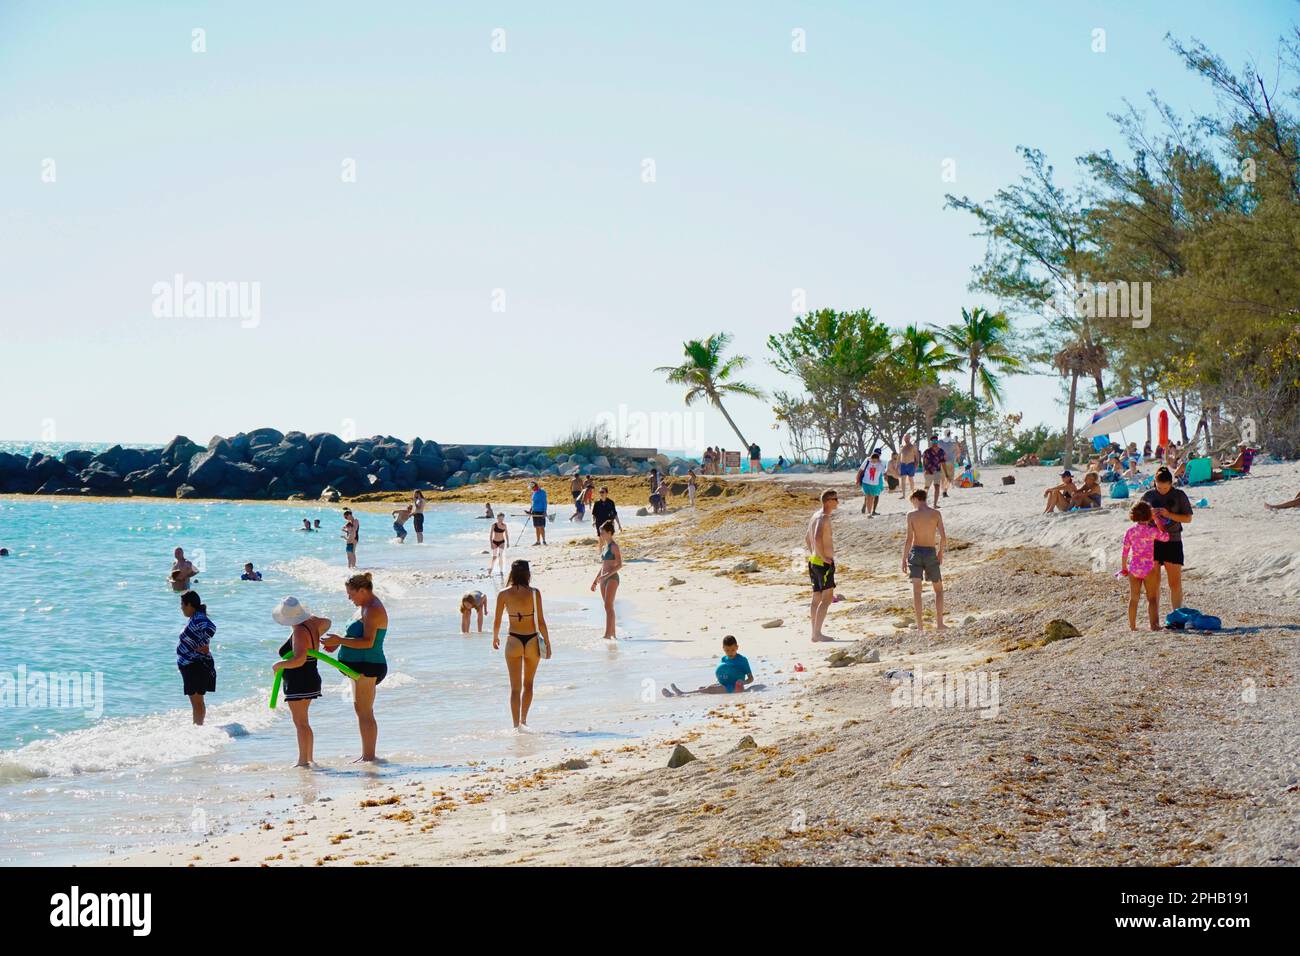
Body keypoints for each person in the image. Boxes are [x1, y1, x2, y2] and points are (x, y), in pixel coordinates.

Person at [321, 572, 388, 762]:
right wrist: (337, 643)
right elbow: (356, 636)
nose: (349, 598)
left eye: (351, 594)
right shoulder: (363, 607)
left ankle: (369, 757)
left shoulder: (373, 609)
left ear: (362, 590)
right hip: (358, 666)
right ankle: (367, 755)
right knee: (361, 711)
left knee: (365, 712)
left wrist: (340, 640)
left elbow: (368, 642)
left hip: (368, 665)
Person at [271, 597, 332, 767]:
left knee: (300, 723)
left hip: (299, 679)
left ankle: (302, 761)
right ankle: (309, 758)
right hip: (311, 676)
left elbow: (299, 659)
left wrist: (279, 665)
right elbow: (327, 622)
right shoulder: (312, 623)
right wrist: (315, 631)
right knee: (304, 722)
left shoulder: (299, 630)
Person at [492, 560, 551, 730]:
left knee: (515, 688)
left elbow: (496, 621)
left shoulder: (503, 594)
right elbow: (541, 622)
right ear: (528, 573)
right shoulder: (534, 593)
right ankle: (524, 720)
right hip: (532, 640)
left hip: (513, 641)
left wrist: (495, 637)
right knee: (529, 684)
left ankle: (515, 726)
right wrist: (547, 642)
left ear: (512, 573)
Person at [1140, 467, 1194, 610]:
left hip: (1173, 540)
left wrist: (1169, 515)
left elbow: (1188, 518)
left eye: (1165, 487)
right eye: (1159, 487)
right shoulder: (1148, 496)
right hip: (1152, 542)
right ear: (1154, 483)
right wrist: (1148, 515)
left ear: (1171, 483)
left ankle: (1177, 615)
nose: (1162, 490)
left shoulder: (1179, 495)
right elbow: (1138, 520)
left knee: (1174, 583)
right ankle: (1154, 618)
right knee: (1154, 582)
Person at [1120, 502, 1170, 632]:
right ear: (1149, 516)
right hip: (1149, 567)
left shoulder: (1130, 532)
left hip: (1134, 568)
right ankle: (1154, 625)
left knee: (1134, 598)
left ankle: (1132, 626)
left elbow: (1125, 551)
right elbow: (1166, 537)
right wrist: (1157, 520)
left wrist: (1124, 567)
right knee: (1152, 598)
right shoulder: (1152, 531)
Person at [902, 489, 946, 632]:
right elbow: (943, 537)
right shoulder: (936, 513)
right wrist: (941, 553)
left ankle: (920, 627)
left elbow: (909, 539)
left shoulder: (911, 515)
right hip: (930, 552)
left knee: (917, 591)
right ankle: (939, 624)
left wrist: (904, 558)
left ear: (915, 498)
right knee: (938, 590)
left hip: (916, 552)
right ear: (925, 498)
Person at [661, 636, 753, 696]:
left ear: (737, 647)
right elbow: (722, 673)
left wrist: (743, 682)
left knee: (709, 689)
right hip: (725, 684)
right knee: (702, 688)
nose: (730, 653)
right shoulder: (724, 659)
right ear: (723, 649)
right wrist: (718, 681)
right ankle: (675, 695)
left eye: (733, 650)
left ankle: (682, 694)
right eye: (727, 650)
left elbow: (751, 679)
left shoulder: (742, 660)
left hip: (735, 687)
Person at [176, 590, 216, 725]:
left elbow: (211, 628)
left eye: (182, 604)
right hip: (193, 664)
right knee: (199, 702)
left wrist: (204, 643)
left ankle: (197, 729)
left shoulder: (198, 617)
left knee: (197, 703)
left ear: (189, 605)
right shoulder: (196, 617)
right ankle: (199, 728)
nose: (181, 607)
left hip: (195, 664)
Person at [805, 489, 838, 643]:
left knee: (816, 598)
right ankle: (817, 633)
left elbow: (807, 538)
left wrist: (814, 554)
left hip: (814, 561)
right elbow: (817, 537)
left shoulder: (815, 516)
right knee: (827, 598)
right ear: (828, 501)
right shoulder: (823, 517)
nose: (837, 502)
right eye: (835, 499)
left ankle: (814, 633)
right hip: (822, 563)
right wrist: (823, 556)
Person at [591, 520, 622, 639]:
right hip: (603, 579)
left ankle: (607, 634)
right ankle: (612, 633)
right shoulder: (604, 547)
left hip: (612, 578)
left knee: (609, 606)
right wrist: (595, 581)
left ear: (609, 532)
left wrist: (607, 576)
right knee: (607, 607)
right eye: (600, 532)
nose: (601, 535)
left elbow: (619, 565)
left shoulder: (614, 546)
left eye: (603, 532)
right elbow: (603, 566)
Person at [858, 449, 885, 516]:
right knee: (868, 494)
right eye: (876, 453)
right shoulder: (868, 459)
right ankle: (867, 506)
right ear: (873, 453)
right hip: (868, 480)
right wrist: (858, 479)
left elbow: (884, 472)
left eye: (879, 454)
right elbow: (861, 470)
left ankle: (873, 511)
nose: (878, 455)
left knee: (876, 494)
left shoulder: (880, 462)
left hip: (878, 478)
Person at [922, 435, 945, 508]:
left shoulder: (941, 451)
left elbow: (943, 462)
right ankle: (924, 505)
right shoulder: (927, 451)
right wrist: (926, 470)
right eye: (933, 441)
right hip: (929, 471)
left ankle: (935, 504)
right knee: (926, 488)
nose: (935, 442)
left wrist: (945, 473)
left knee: (937, 487)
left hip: (938, 471)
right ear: (931, 442)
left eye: (936, 441)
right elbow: (924, 462)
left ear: (937, 441)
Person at [488, 511, 510, 577]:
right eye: (500, 518)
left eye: (502, 518)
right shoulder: (494, 525)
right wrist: (491, 543)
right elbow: (491, 535)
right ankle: (491, 568)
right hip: (494, 542)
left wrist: (508, 542)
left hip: (502, 542)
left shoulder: (504, 525)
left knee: (500, 556)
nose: (501, 520)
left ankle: (501, 571)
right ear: (497, 518)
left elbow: (506, 534)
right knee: (494, 557)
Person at [938, 430, 958, 496]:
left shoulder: (940, 442)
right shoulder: (953, 442)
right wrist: (955, 458)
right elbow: (958, 451)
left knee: (942, 477)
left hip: (942, 462)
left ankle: (943, 489)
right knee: (949, 477)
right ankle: (945, 491)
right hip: (951, 462)